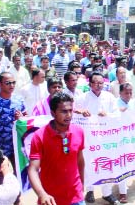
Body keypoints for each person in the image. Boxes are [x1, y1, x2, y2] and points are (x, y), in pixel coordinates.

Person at [28, 92, 86, 205]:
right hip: (50, 200)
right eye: (64, 111)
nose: (69, 115)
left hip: (76, 198)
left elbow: (80, 161)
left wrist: (82, 185)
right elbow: (33, 169)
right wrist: (42, 194)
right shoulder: (39, 136)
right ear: (53, 113)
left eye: (70, 110)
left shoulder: (79, 131)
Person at [75, 72, 118, 204]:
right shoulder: (82, 98)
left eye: (101, 83)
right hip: (89, 137)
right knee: (89, 163)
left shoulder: (109, 97)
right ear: (90, 84)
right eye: (96, 83)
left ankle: (107, 193)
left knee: (106, 163)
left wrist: (108, 114)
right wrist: (80, 111)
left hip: (106, 137)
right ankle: (90, 191)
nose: (99, 85)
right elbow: (72, 112)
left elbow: (117, 114)